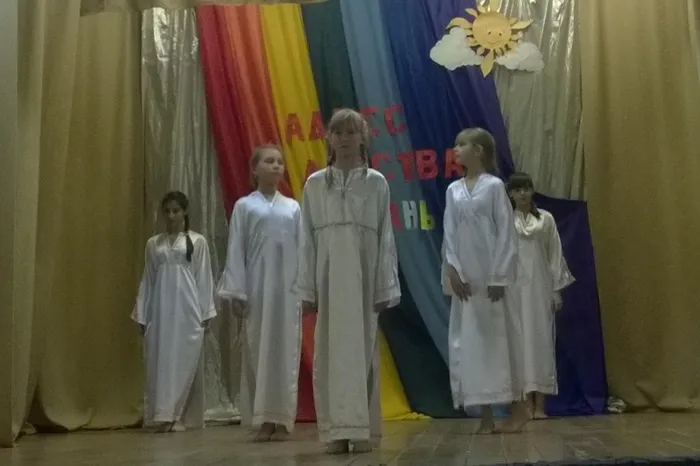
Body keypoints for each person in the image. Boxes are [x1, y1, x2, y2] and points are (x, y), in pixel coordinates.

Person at [295, 108, 401, 454]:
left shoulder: (376, 183)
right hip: (328, 277)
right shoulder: (315, 184)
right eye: (337, 132)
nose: (344, 139)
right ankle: (335, 431)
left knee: (362, 349)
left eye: (351, 132)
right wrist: (307, 289)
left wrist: (384, 285)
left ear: (363, 137)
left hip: (363, 276)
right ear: (329, 138)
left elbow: (385, 237)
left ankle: (362, 429)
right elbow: (306, 239)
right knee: (329, 351)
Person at [442, 128, 528, 434]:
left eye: (461, 144)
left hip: (491, 277)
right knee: (472, 344)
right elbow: (449, 232)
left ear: (478, 150)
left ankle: (519, 408)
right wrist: (453, 271)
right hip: (467, 280)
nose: (456, 149)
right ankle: (486, 416)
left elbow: (506, 232)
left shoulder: (494, 187)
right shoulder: (453, 190)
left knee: (501, 341)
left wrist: (499, 275)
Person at [218, 144, 302, 442]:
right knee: (259, 350)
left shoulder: (293, 208)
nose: (276, 166)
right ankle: (264, 418)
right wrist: (237, 292)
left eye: (279, 161)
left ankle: (283, 419)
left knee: (286, 351)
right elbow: (236, 249)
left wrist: (305, 289)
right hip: (256, 289)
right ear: (255, 169)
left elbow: (303, 250)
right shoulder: (245, 206)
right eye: (269, 161)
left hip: (287, 291)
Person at [132, 191, 216, 433]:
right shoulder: (154, 244)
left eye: (176, 211)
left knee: (183, 359)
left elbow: (204, 277)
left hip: (187, 309)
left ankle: (177, 413)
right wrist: (142, 312)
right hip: (160, 310)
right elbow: (148, 279)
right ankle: (162, 413)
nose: (171, 216)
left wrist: (206, 312)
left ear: (184, 212)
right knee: (160, 360)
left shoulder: (197, 242)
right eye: (167, 211)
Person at [506, 172, 574, 420]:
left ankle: (540, 406)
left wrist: (556, 290)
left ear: (532, 190)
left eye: (526, 188)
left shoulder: (546, 219)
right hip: (514, 290)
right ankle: (524, 404)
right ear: (511, 194)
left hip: (540, 288)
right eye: (517, 190)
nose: (523, 193)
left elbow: (554, 255)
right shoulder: (505, 220)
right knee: (518, 345)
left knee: (541, 343)